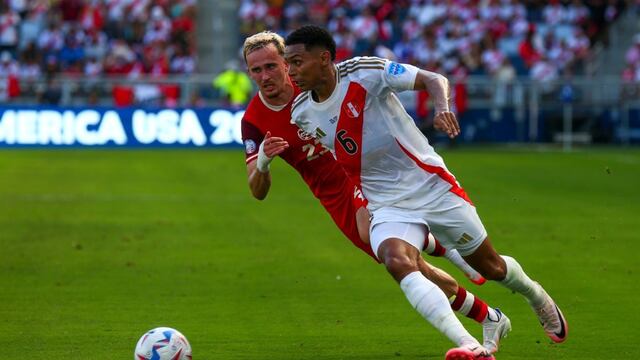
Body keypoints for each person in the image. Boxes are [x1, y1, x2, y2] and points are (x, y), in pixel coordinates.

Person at [285, 25, 568, 359]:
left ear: (324, 58)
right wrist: (361, 199)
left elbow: (434, 79)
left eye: (296, 62)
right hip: (387, 202)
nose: (291, 72)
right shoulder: (301, 113)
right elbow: (343, 157)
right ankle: (469, 344)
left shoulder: (365, 72)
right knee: (396, 260)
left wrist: (442, 107)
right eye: (288, 63)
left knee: (492, 268)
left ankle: (536, 296)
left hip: (430, 185)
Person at [240, 31, 509, 358]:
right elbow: (257, 190)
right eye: (256, 70)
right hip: (334, 197)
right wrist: (265, 161)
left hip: (367, 175)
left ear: (287, 63)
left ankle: (468, 330)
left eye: (271, 65)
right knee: (413, 268)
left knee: (394, 251)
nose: (265, 76)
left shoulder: (311, 79)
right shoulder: (253, 120)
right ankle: (487, 315)